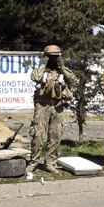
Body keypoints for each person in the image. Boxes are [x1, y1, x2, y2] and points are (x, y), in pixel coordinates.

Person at [28, 44, 75, 173]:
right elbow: (35, 77)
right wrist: (44, 64)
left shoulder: (62, 72)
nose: (53, 59)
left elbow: (72, 79)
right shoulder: (41, 71)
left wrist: (63, 67)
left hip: (58, 106)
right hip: (42, 106)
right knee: (38, 135)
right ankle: (34, 162)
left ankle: (50, 163)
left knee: (55, 135)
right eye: (50, 57)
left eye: (56, 57)